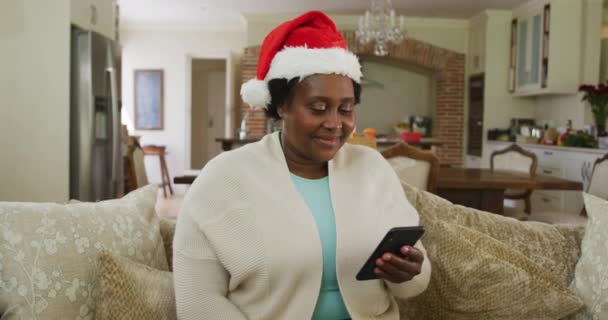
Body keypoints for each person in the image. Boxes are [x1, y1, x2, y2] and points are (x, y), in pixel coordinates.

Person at [173, 10, 431, 320]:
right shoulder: (224, 178)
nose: (335, 124)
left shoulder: (372, 168)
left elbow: (416, 282)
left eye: (346, 109)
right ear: (281, 105)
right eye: (318, 108)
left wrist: (409, 271)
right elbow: (197, 301)